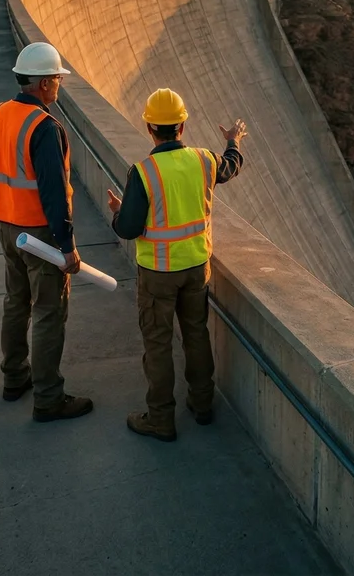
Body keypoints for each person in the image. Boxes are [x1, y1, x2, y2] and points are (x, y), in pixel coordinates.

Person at [107, 88, 247, 442]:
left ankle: (160, 419)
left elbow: (129, 228)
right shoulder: (204, 160)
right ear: (182, 126)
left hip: (158, 275)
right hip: (197, 268)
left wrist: (117, 212)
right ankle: (202, 406)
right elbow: (231, 167)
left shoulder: (143, 173)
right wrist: (233, 141)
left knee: (158, 344)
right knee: (196, 335)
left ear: (151, 129)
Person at [0, 41, 92, 422]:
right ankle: (48, 398)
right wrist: (67, 247)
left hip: (7, 227)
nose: (59, 86)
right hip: (41, 236)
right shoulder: (45, 127)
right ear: (45, 83)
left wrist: (9, 214)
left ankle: (15, 378)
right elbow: (53, 193)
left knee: (16, 301)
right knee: (48, 312)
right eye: (58, 79)